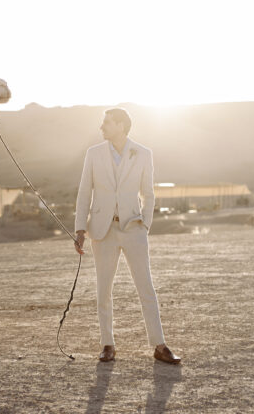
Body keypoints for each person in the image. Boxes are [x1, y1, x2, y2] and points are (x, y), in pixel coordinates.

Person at [74, 108, 181, 364]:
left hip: (134, 229)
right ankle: (107, 344)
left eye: (107, 123)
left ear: (121, 125)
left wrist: (144, 223)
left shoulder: (143, 153)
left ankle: (159, 345)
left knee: (146, 287)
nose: (102, 127)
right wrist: (80, 229)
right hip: (103, 230)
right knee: (104, 289)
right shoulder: (93, 154)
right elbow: (83, 193)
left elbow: (149, 193)